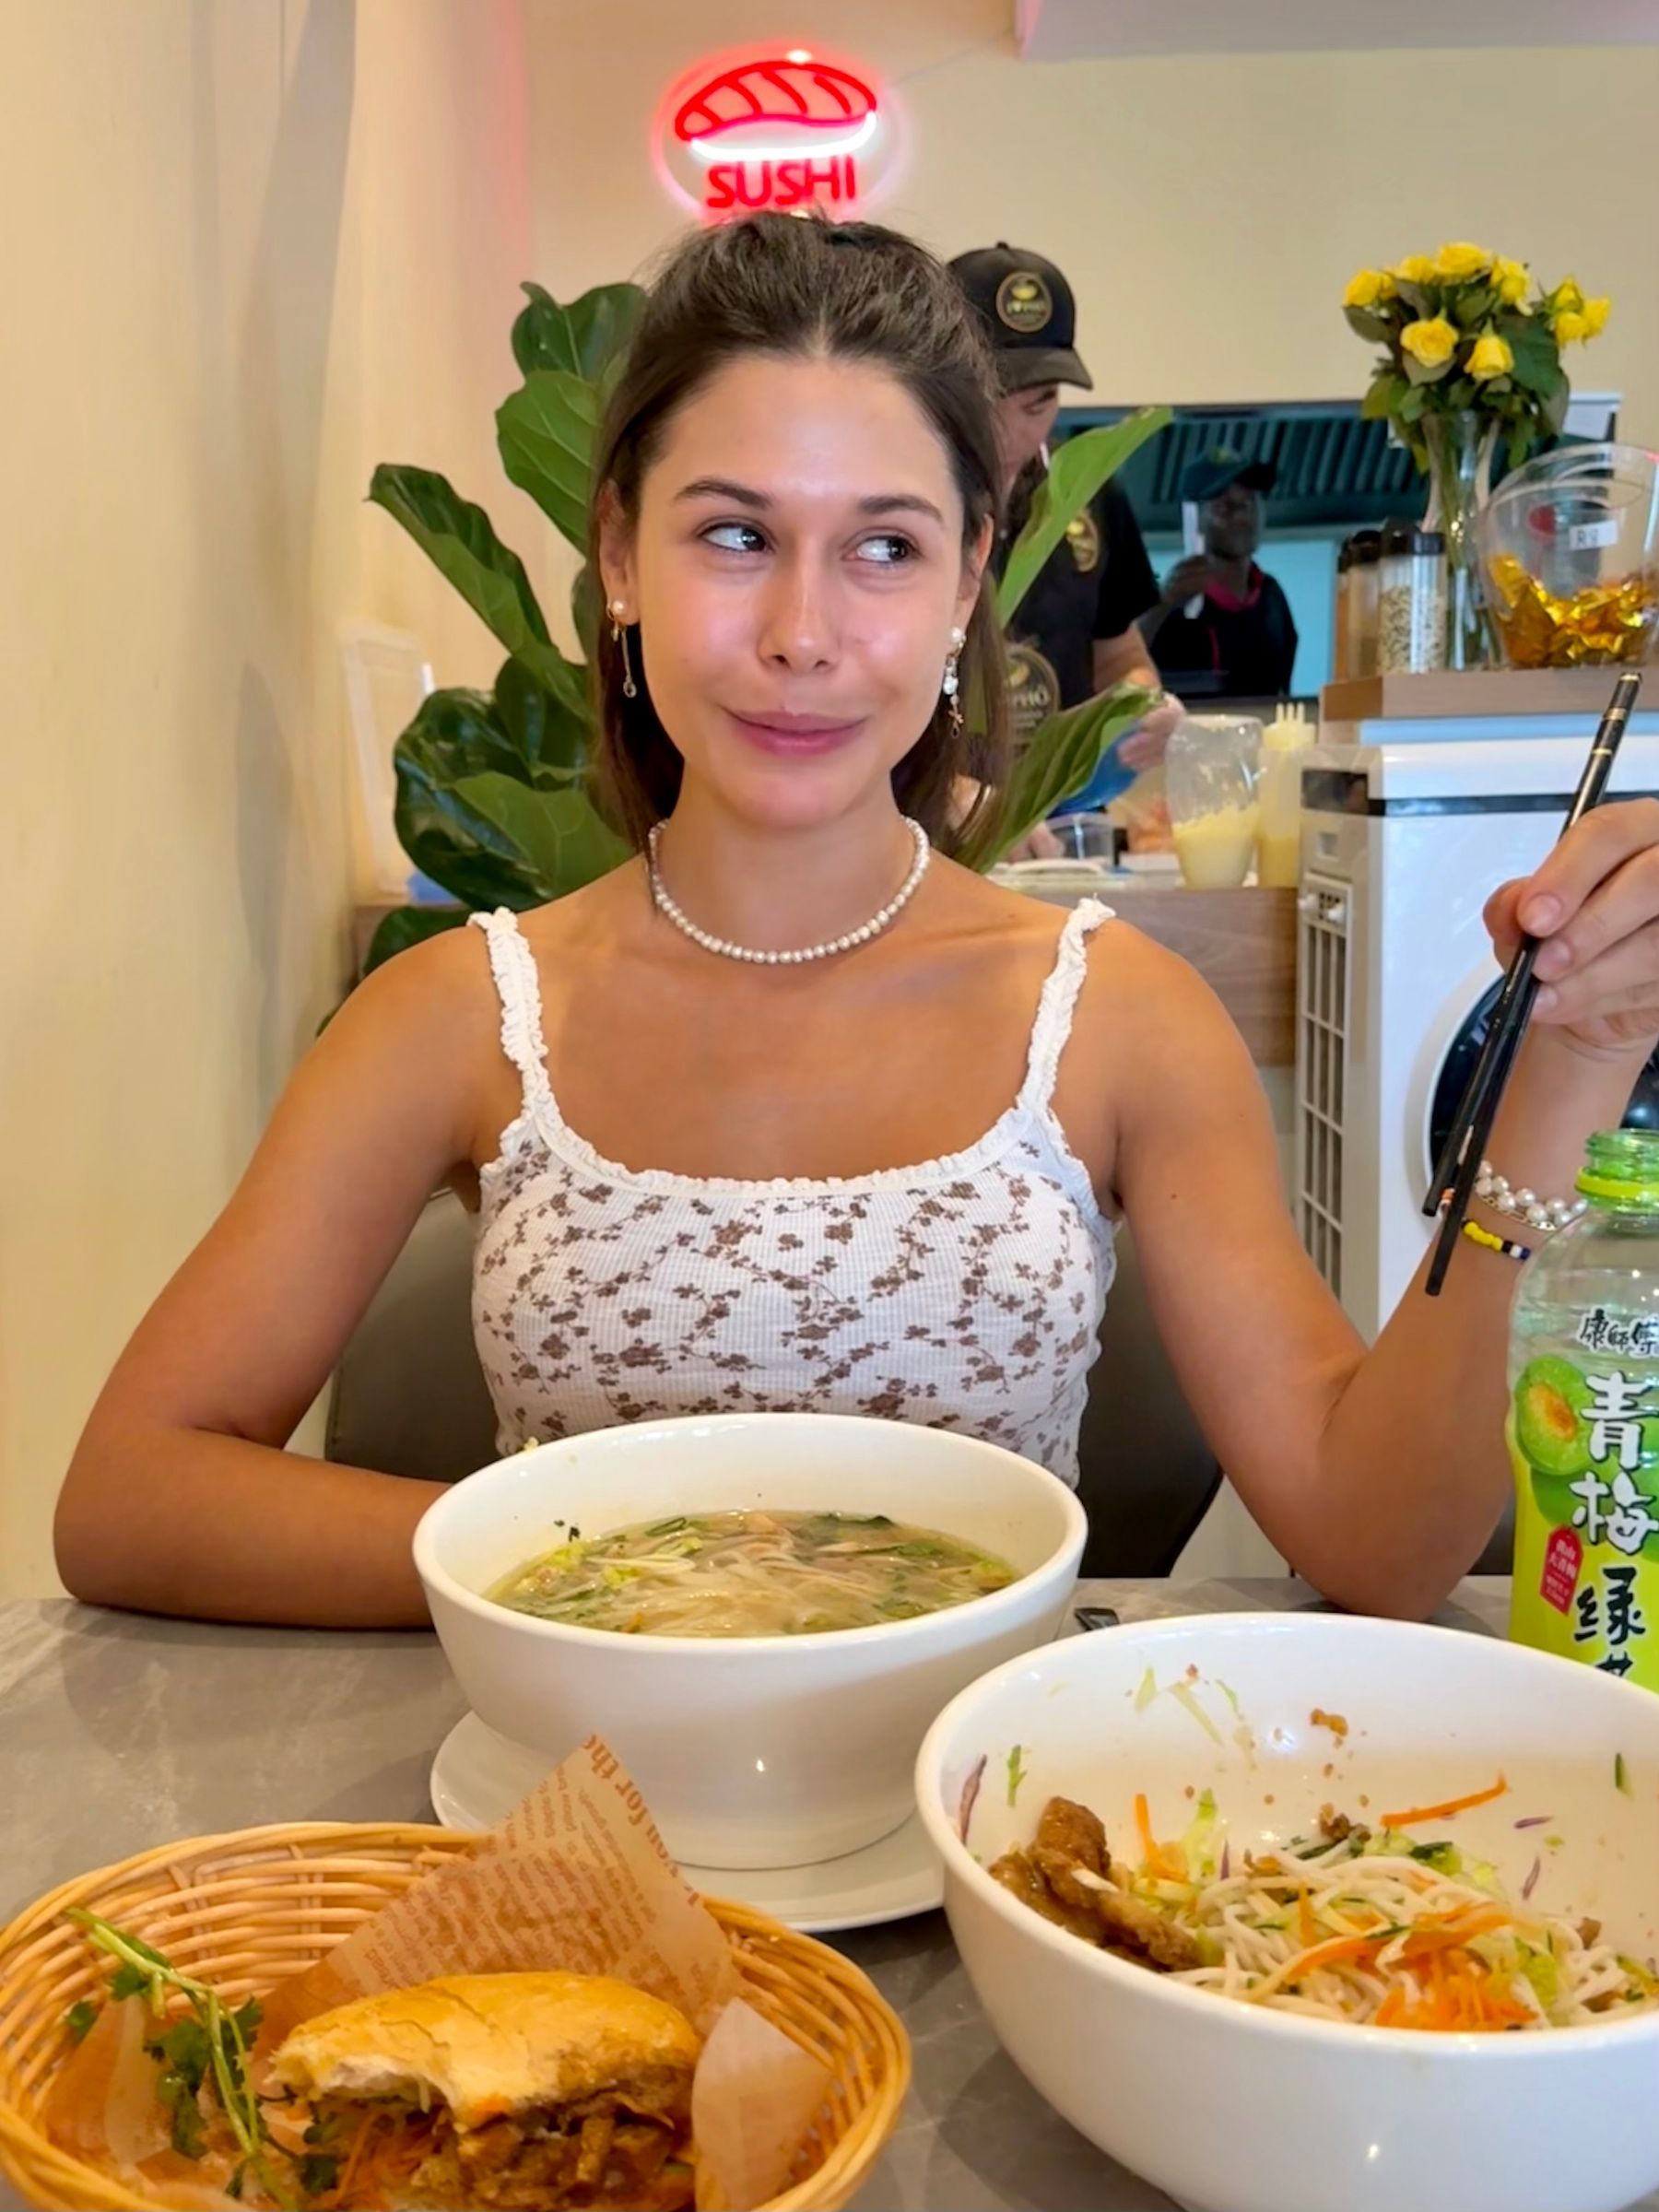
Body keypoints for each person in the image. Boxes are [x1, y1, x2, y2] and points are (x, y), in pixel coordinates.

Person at [54, 213, 1659, 1632]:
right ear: (618, 555)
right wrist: (603, 1579)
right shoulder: (456, 1015)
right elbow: (133, 1493)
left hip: (991, 1836)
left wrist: (1573, 1063)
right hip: (568, 1825)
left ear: (968, 583)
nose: (803, 634)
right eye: (734, 535)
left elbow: (1377, 1544)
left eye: (884, 547)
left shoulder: (1117, 1019)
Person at [947, 243, 1179, 814]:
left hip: (1067, 823)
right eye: (990, 400)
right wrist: (950, 793)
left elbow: (1120, 658)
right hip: (928, 830)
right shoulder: (901, 506)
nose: (1011, 433)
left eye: (1040, 403)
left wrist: (1142, 707)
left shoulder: (1090, 495)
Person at [1144, 448, 1299, 700]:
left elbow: (1282, 695)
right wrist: (1163, 604)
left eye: (1248, 502)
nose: (1241, 515)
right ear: (1193, 517)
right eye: (1223, 506)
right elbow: (1123, 674)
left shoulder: (1272, 598)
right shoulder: (1171, 605)